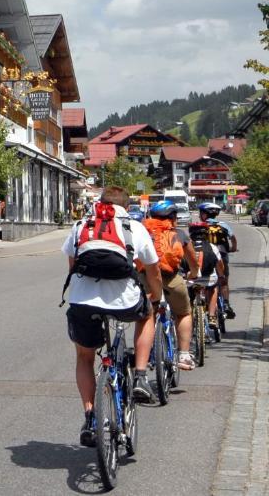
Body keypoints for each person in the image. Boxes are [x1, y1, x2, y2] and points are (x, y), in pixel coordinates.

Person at [62, 186, 162, 447]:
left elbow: (73, 268)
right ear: (126, 207)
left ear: (100, 203)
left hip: (83, 301)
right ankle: (140, 376)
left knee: (84, 358)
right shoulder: (134, 227)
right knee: (147, 316)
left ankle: (90, 418)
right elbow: (153, 271)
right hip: (124, 301)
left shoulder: (82, 224)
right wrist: (156, 296)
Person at [141, 200, 200, 371]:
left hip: (147, 279)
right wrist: (194, 274)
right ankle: (184, 354)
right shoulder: (179, 234)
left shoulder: (143, 232)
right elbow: (192, 260)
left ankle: (149, 352)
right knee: (183, 313)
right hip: (171, 278)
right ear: (173, 217)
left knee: (147, 315)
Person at [198, 202, 237, 318]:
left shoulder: (200, 226)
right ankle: (226, 304)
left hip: (206, 256)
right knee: (223, 280)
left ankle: (205, 302)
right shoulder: (223, 225)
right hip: (222, 254)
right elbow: (233, 238)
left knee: (204, 279)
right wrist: (233, 248)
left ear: (204, 215)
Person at [186, 222, 227, 329]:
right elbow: (219, 264)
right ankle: (212, 316)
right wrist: (222, 276)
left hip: (191, 279)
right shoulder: (212, 247)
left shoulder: (186, 246)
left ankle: (188, 318)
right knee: (213, 289)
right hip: (208, 278)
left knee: (187, 295)